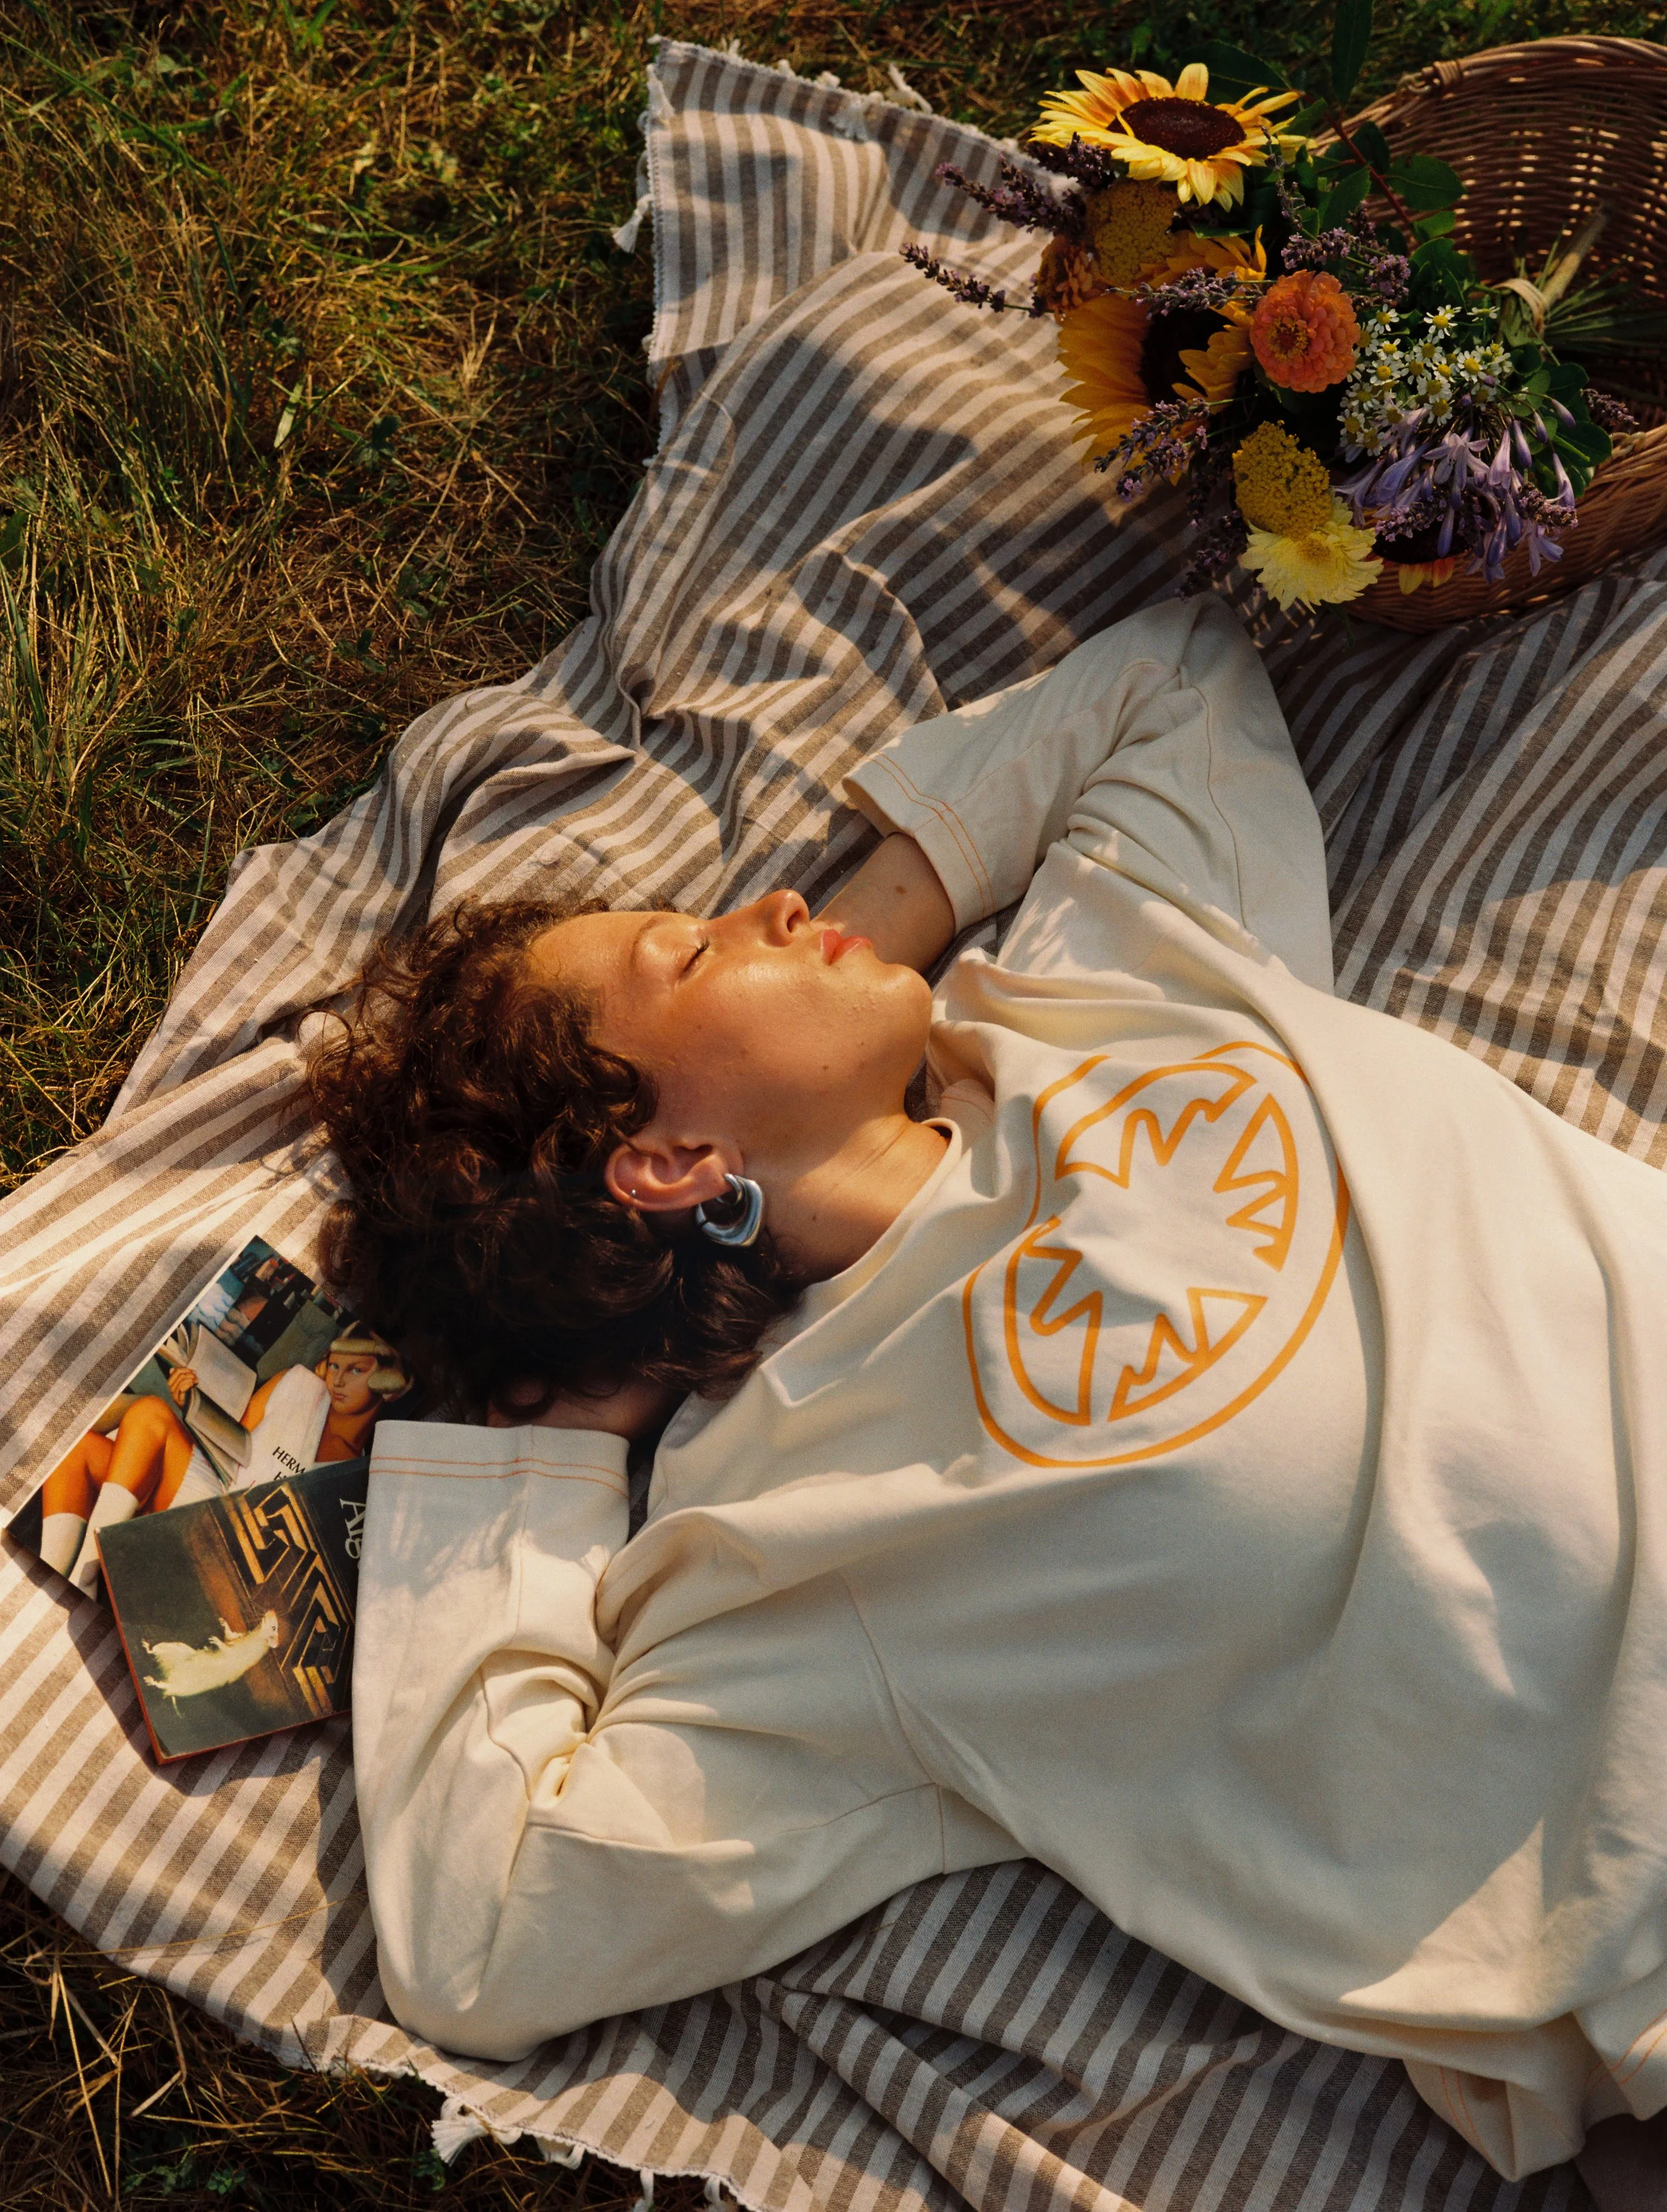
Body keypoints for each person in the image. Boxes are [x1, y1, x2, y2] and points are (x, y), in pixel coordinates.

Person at [310, 598, 1667, 2203]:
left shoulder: (1102, 980)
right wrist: (560, 1423)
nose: (772, 902)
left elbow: (1171, 678)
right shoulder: (802, 1520)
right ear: (666, 1161)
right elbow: (481, 1930)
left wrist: (861, 948)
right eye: (692, 949)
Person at [38, 1328, 409, 1595]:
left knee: (149, 1413)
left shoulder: (358, 1480)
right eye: (335, 1366)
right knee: (81, 1448)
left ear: (389, 1386)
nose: (338, 1380)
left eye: (356, 1370)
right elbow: (233, 1446)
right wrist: (193, 1404)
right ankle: (54, 1577)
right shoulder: (296, 1384)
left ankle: (86, 1574)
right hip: (213, 1487)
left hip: (229, 1546)